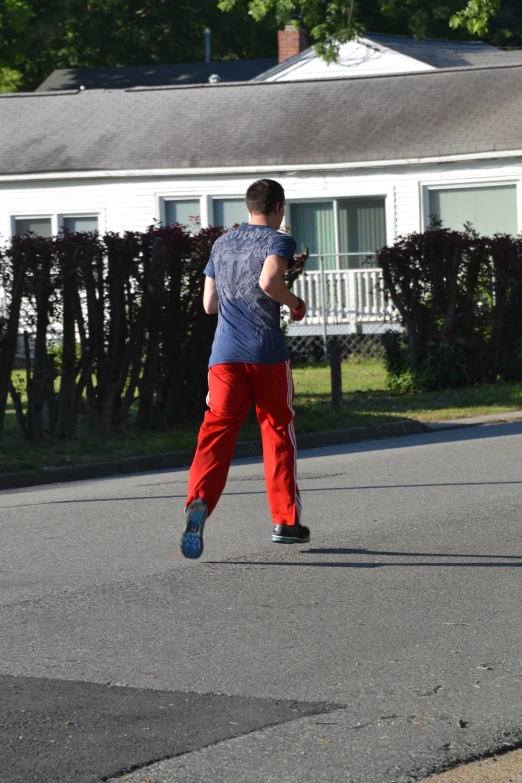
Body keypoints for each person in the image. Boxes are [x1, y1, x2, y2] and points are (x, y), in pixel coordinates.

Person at [181, 178, 310, 559]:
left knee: (216, 431)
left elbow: (209, 304)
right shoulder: (277, 239)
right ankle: (286, 521)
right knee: (277, 430)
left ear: (248, 206)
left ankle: (198, 502)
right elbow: (269, 281)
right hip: (266, 353)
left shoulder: (221, 243)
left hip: (223, 357)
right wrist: (295, 303)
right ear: (279, 207)